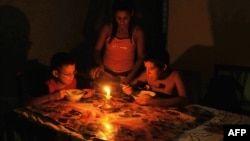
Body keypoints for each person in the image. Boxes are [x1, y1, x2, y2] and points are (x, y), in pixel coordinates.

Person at [90, 0, 145, 86]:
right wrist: (100, 64)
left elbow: (141, 57)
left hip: (126, 76)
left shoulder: (137, 32)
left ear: (131, 14)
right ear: (114, 16)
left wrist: (131, 76)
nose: (122, 21)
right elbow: (96, 50)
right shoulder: (107, 29)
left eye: (125, 18)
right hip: (106, 74)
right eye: (118, 18)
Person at [22, 52, 94, 106]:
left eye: (73, 72)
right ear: (56, 74)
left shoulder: (75, 80)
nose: (72, 76)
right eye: (68, 74)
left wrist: (91, 92)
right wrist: (52, 97)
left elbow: (92, 88)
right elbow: (27, 103)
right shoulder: (47, 86)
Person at [121, 50, 188, 107]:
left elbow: (185, 100)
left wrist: (155, 102)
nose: (147, 72)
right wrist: (129, 89)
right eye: (146, 68)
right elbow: (133, 85)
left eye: (152, 69)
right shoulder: (146, 75)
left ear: (163, 67)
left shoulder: (175, 75)